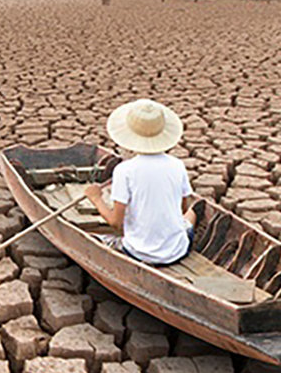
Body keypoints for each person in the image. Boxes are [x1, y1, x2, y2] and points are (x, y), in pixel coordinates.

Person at [84, 99, 197, 266]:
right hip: (178, 250)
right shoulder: (177, 165)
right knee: (192, 214)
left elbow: (115, 223)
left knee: (103, 237)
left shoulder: (125, 170)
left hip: (139, 253)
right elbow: (184, 208)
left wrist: (96, 199)